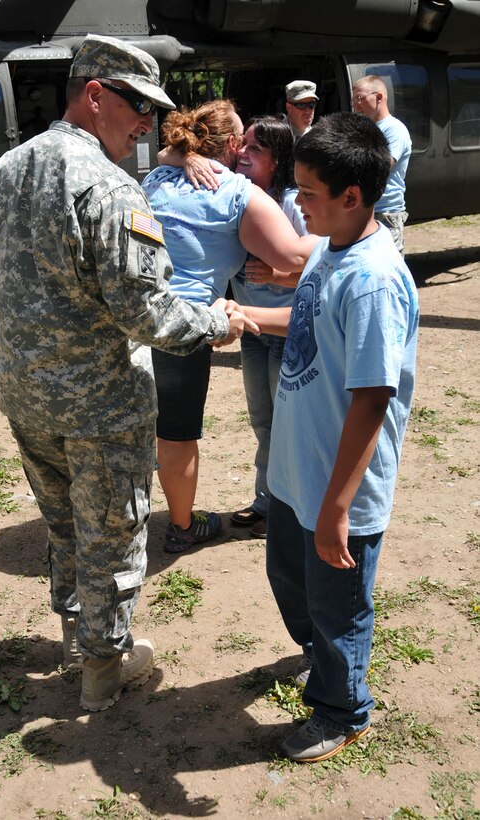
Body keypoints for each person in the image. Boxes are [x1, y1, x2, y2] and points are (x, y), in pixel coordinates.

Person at [0, 34, 255, 713]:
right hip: (98, 404)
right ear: (94, 94)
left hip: (26, 391)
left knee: (66, 527)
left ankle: (78, 634)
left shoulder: (9, 167)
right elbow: (150, 315)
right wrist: (220, 320)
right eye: (137, 104)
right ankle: (105, 666)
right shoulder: (106, 184)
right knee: (112, 531)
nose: (147, 122)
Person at [247, 111, 418, 762]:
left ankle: (342, 711)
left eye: (308, 193)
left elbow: (373, 397)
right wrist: (248, 319)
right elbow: (306, 318)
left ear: (353, 197)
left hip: (336, 492)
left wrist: (338, 509)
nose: (296, 203)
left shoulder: (373, 279)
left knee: (338, 604)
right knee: (289, 578)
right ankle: (320, 660)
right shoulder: (330, 248)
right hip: (297, 473)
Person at [142, 100, 317, 554]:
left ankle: (121, 520)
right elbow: (296, 258)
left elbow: (165, 155)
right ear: (233, 143)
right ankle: (182, 527)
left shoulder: (157, 177)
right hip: (182, 327)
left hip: (132, 318)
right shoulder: (237, 192)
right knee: (176, 434)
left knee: (133, 426)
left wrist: (183, 156)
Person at [229, 116, 308, 539]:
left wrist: (277, 277)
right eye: (242, 144)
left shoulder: (292, 203)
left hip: (283, 331)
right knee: (263, 421)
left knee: (285, 422)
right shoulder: (237, 194)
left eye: (254, 149)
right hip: (252, 332)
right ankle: (267, 502)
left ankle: (288, 509)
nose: (242, 152)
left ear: (277, 161)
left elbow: (319, 267)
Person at [352, 75, 412, 255]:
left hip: (385, 214)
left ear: (378, 97)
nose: (355, 105)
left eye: (360, 98)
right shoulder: (365, 130)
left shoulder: (394, 129)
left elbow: (380, 166)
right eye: (353, 100)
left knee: (387, 271)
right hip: (364, 212)